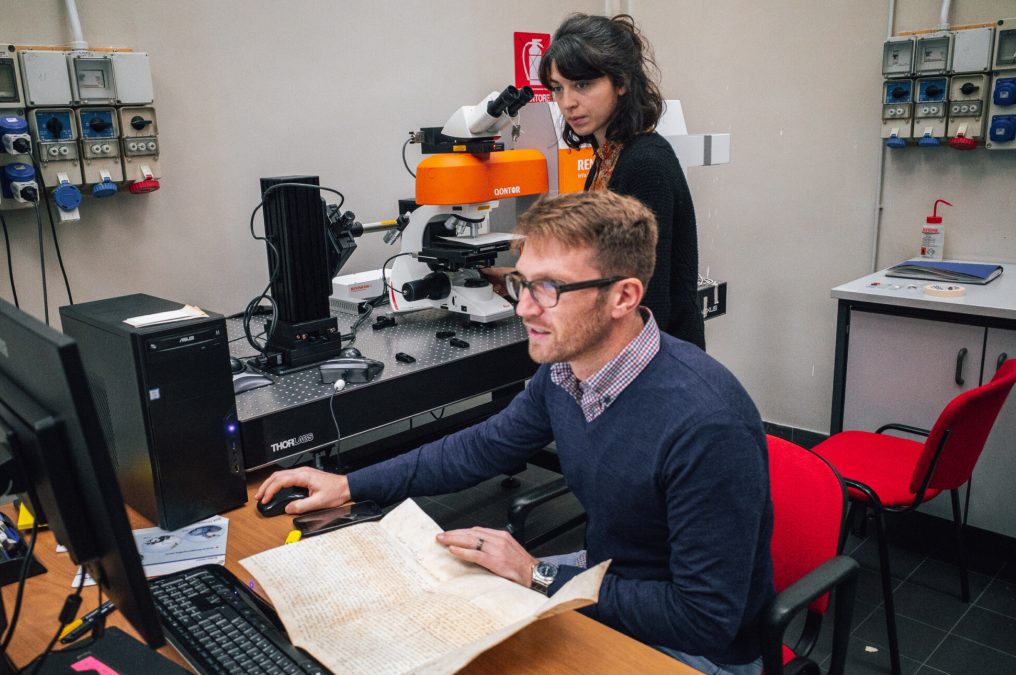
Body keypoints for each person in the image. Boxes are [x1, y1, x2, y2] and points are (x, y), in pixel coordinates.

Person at [257, 190, 774, 673]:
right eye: (522, 284)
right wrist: (349, 485)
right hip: (609, 578)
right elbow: (481, 447)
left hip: (696, 650)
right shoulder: (565, 372)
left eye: (548, 288)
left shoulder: (706, 425)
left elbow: (704, 620)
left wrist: (535, 575)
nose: (524, 307)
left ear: (623, 297)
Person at [487, 13, 706, 350]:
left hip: (655, 361)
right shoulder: (609, 154)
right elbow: (605, 268)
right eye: (558, 88)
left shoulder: (646, 163)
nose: (567, 102)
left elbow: (647, 299)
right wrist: (527, 283)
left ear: (621, 82)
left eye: (583, 85)